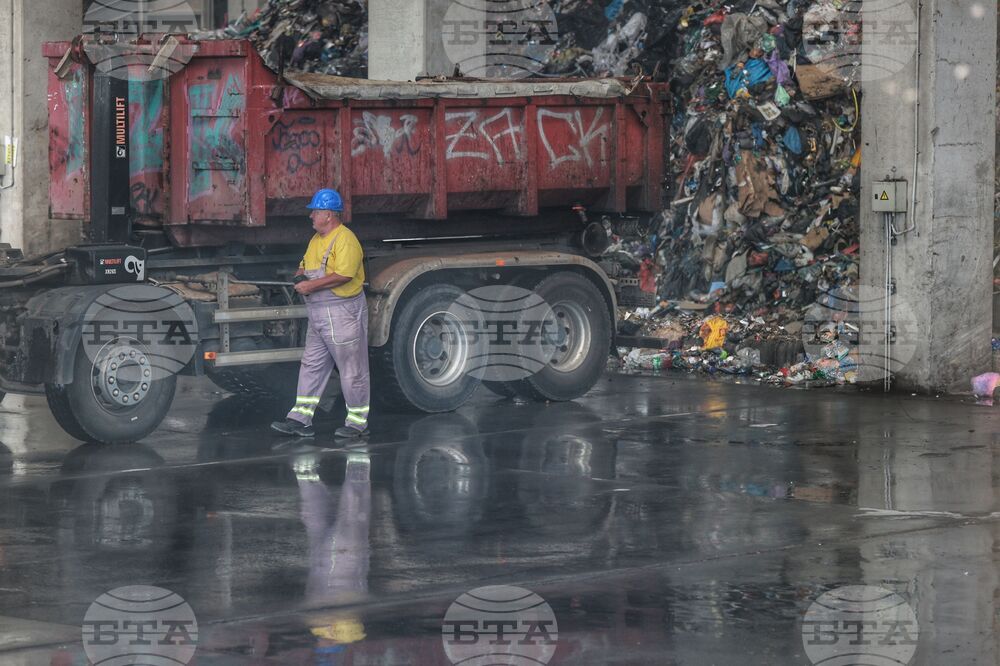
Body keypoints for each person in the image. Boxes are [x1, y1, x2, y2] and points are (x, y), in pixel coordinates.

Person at [271, 189, 370, 440]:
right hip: (319, 314)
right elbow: (305, 264)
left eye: (315, 211)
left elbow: (344, 275)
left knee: (351, 369)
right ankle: (299, 419)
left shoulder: (345, 240)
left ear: (329, 214)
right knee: (311, 365)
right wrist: (299, 275)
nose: (311, 216)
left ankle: (357, 423)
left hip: (342, 312)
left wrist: (309, 286)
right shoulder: (316, 239)